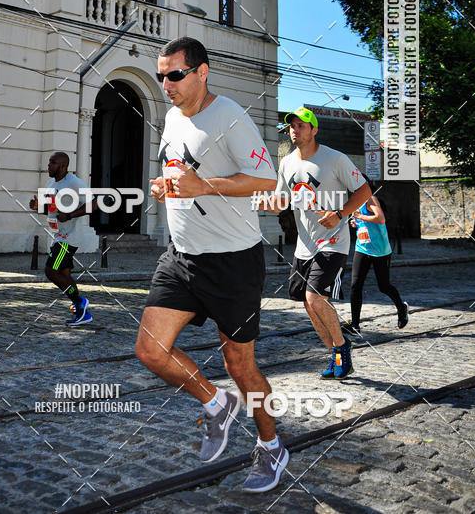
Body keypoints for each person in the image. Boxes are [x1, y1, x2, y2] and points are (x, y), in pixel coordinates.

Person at [135, 37, 289, 493]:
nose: (166, 84)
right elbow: (180, 171)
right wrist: (165, 186)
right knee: (150, 351)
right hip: (181, 257)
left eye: (175, 75)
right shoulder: (171, 117)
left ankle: (271, 446)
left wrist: (203, 186)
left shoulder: (230, 117)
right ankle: (216, 403)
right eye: (161, 76)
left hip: (232, 262)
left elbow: (266, 180)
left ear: (202, 72)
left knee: (240, 365)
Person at [259, 107, 371, 379]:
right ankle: (335, 355)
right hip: (304, 245)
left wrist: (340, 214)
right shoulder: (286, 163)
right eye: (292, 126)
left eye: (301, 125)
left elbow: (365, 190)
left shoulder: (335, 158)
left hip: (333, 241)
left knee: (315, 298)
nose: (295, 130)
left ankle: (342, 347)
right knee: (308, 304)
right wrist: (265, 203)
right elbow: (282, 202)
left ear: (314, 130)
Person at [29, 152, 94, 326]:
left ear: (63, 166)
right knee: (64, 274)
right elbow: (51, 210)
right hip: (57, 235)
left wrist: (70, 215)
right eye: (49, 162)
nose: (49, 165)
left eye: (53, 162)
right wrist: (38, 207)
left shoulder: (74, 182)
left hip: (68, 237)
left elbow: (94, 204)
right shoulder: (50, 183)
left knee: (51, 271)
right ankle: (82, 313)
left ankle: (80, 301)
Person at [341, 180, 409, 338]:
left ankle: (401, 308)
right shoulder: (355, 202)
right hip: (362, 248)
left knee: (384, 286)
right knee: (355, 285)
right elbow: (361, 222)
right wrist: (355, 222)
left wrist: (361, 216)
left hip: (380, 251)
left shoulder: (371, 199)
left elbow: (380, 218)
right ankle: (355, 325)